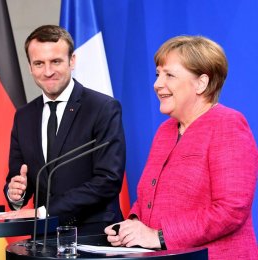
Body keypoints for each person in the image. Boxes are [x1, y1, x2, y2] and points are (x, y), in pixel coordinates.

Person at [105, 35, 258, 259]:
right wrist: (132, 226)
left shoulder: (228, 125)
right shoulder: (165, 131)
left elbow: (231, 210)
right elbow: (149, 198)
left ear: (201, 83)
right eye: (158, 74)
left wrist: (158, 237)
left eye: (169, 75)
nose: (157, 84)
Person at [0, 25, 126, 235]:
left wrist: (45, 212)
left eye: (56, 61)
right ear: (30, 67)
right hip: (42, 238)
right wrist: (16, 193)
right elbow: (18, 176)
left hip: (93, 236)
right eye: (39, 63)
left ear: (72, 61)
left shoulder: (103, 108)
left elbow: (108, 181)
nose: (48, 71)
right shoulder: (23, 116)